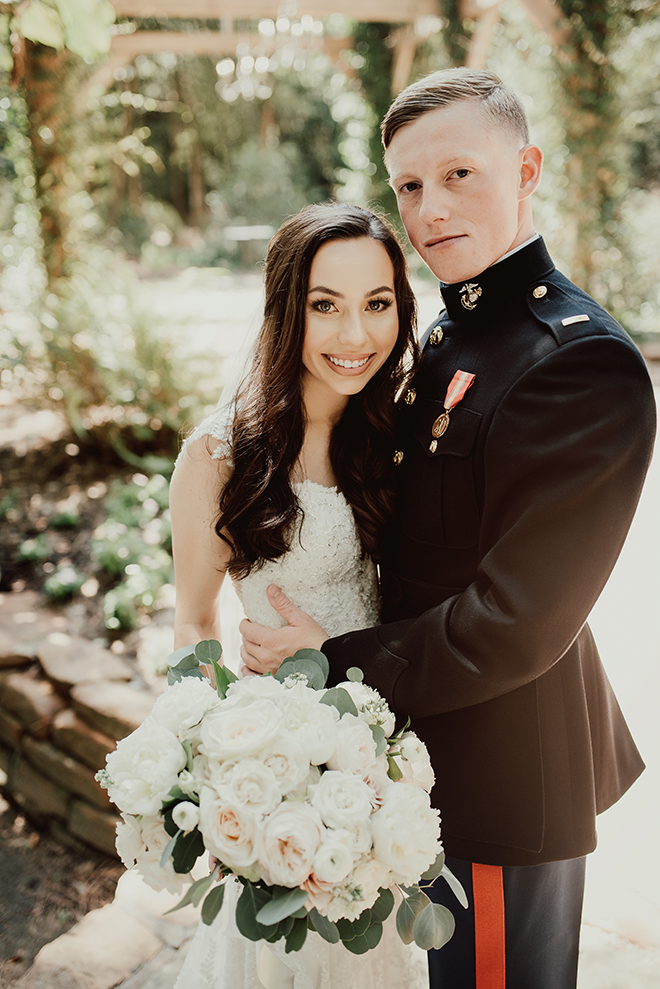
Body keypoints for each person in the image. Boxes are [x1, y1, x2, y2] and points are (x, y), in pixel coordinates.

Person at [239, 69, 657, 989]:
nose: (430, 208)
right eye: (410, 186)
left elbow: (516, 619)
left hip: (500, 777)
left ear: (528, 169)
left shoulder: (579, 365)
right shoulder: (445, 332)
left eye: (460, 173)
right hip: (421, 761)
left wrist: (337, 657)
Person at [168, 201, 428, 989]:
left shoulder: (400, 432)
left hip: (389, 775)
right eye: (326, 306)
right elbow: (193, 617)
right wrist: (214, 769)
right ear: (287, 310)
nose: (357, 337)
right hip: (283, 783)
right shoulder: (220, 455)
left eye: (377, 304)